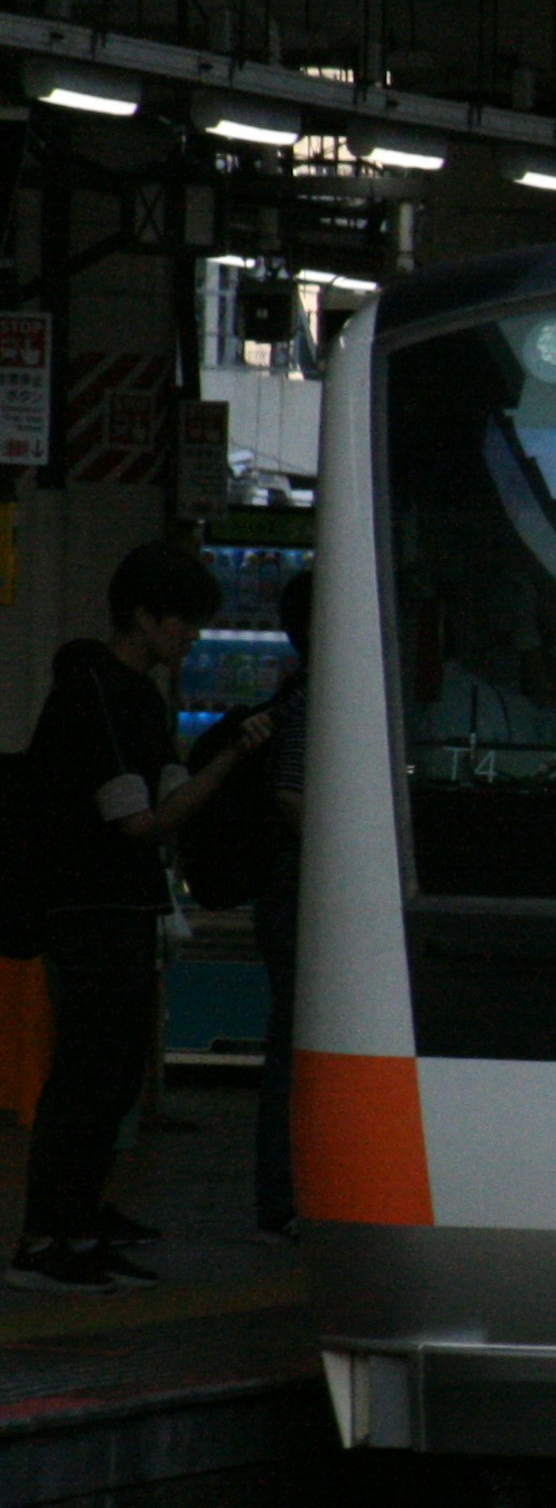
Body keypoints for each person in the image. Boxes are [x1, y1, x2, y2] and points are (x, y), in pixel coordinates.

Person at [8, 543, 270, 1294]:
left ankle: (80, 1224)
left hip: (118, 909)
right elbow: (144, 823)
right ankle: (45, 1238)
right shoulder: (100, 692)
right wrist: (228, 764)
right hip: (91, 910)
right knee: (89, 1074)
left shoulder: (132, 695)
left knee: (111, 1072)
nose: (191, 636)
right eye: (182, 621)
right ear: (145, 617)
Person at [251, 569, 312, 1247]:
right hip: (300, 890)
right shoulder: (318, 699)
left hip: (287, 889)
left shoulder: (296, 694)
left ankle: (284, 1192)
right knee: (295, 1047)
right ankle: (281, 1195)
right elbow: (291, 794)